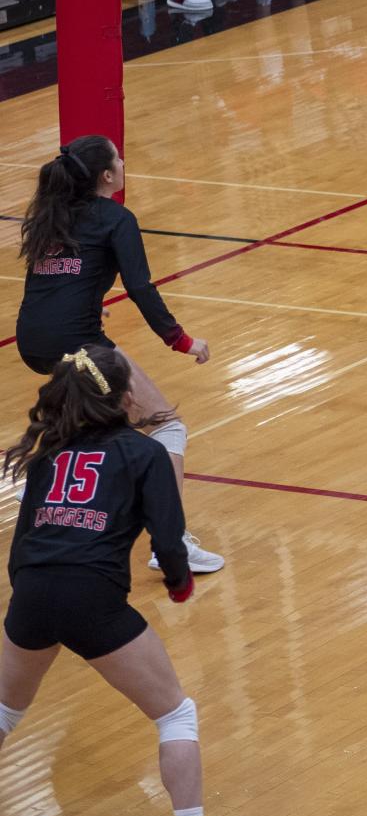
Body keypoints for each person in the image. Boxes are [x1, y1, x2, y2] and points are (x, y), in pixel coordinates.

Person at [0, 344, 246, 816]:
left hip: (32, 591)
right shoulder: (144, 453)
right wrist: (179, 584)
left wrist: (32, 596)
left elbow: (21, 544)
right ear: (125, 395)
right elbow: (168, 537)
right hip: (92, 598)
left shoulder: (48, 451)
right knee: (175, 715)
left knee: (3, 713)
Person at [12, 138, 226, 576]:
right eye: (118, 158)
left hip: (33, 339)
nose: (125, 162)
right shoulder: (116, 219)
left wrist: (88, 301)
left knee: (94, 422)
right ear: (106, 176)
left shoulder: (50, 213)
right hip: (78, 342)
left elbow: (55, 280)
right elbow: (141, 288)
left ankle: (42, 480)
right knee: (167, 425)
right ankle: (174, 544)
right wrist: (181, 340)